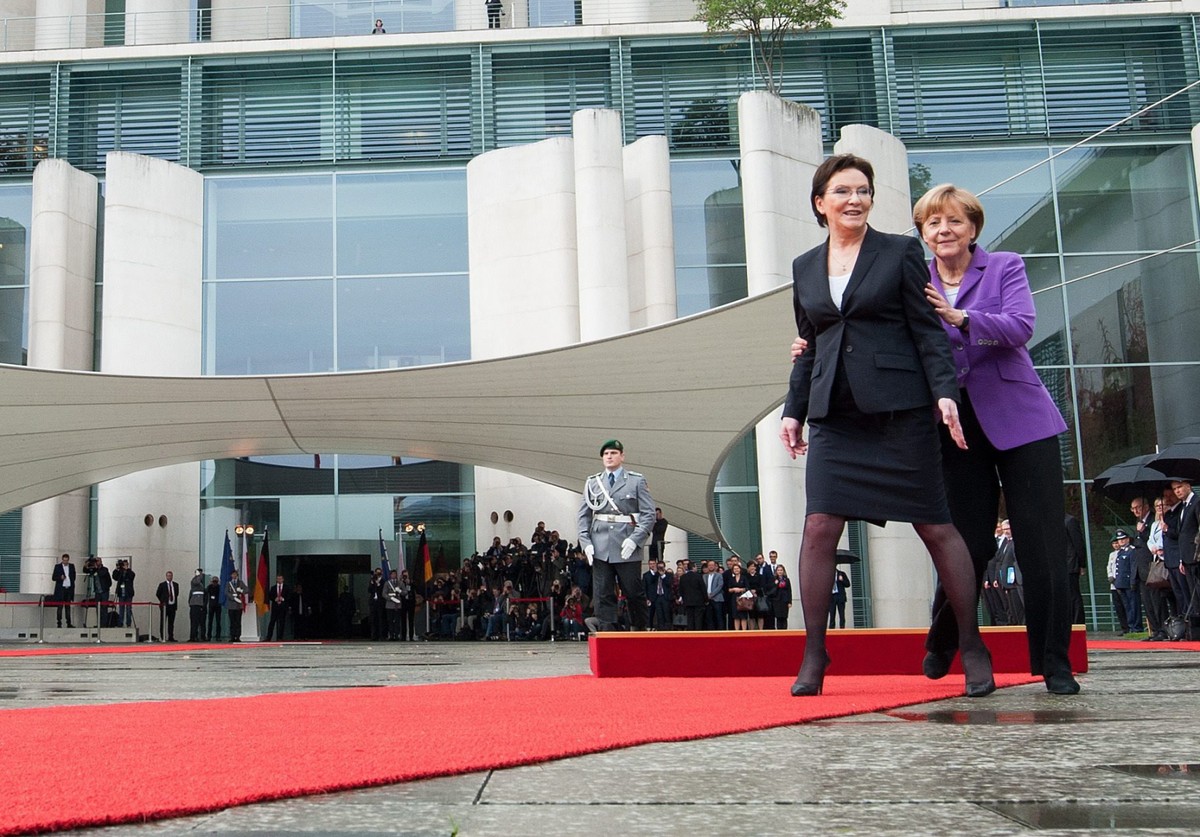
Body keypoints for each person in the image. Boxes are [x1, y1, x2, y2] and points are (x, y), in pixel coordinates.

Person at [780, 155, 993, 698]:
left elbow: (927, 332)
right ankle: (814, 653)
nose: (856, 199)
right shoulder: (805, 265)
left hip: (901, 413)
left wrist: (945, 395)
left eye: (864, 190)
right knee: (818, 529)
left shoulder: (899, 251)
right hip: (837, 418)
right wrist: (793, 409)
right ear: (819, 203)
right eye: (843, 190)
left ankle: (971, 644)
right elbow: (808, 345)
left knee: (935, 526)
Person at [912, 183, 1078, 695]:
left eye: (955, 221)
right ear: (923, 233)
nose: (944, 230)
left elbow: (1020, 325)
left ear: (973, 229)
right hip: (954, 426)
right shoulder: (914, 278)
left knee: (1042, 544)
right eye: (934, 223)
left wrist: (963, 318)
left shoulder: (1003, 265)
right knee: (967, 543)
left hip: (1021, 419)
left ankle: (1053, 662)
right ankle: (944, 638)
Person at [578, 438, 655, 632]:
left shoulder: (636, 480)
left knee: (633, 591)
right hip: (600, 544)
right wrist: (585, 542)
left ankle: (639, 627)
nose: (609, 457)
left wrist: (635, 539)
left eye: (613, 453)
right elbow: (584, 515)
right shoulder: (593, 482)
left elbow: (648, 514)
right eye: (606, 454)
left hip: (626, 544)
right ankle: (607, 631)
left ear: (622, 456)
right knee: (603, 592)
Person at [1064, 514, 1087, 625]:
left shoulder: (1070, 521)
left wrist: (1082, 564)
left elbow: (1079, 544)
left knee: (1073, 595)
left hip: (1070, 565)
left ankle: (1078, 624)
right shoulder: (1050, 521)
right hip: (1056, 566)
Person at [678, 561, 707, 631]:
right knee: (698, 619)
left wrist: (683, 598)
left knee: (690, 619)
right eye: (696, 566)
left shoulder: (683, 577)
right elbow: (703, 588)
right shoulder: (698, 576)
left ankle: (690, 633)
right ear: (693, 567)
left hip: (687, 601)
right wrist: (706, 599)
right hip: (698, 601)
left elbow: (681, 590)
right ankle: (698, 633)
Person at [51, 553, 75, 628]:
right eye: (64, 560)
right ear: (62, 560)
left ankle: (69, 623)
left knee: (68, 607)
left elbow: (73, 576)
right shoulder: (57, 567)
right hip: (61, 589)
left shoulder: (71, 566)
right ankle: (59, 623)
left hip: (68, 589)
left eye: (66, 560)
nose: (65, 562)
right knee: (60, 607)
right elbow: (53, 577)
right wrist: (60, 578)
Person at [156, 571, 179, 641]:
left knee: (171, 622)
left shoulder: (175, 585)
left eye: (171, 576)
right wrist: (163, 601)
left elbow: (176, 594)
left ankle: (171, 637)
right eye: (168, 576)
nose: (170, 577)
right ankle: (163, 637)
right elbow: (158, 594)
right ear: (166, 576)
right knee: (163, 622)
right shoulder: (162, 585)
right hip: (165, 606)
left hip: (172, 606)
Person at [113, 559, 136, 629]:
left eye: (125, 564)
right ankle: (120, 623)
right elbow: (115, 577)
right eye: (123, 565)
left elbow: (132, 576)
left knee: (128, 609)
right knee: (121, 609)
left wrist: (127, 570)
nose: (124, 566)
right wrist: (117, 569)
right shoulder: (120, 572)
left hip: (128, 593)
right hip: (121, 593)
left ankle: (128, 624)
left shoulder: (130, 572)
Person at [264, 574, 288, 641]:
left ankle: (280, 637)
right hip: (275, 607)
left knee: (282, 622)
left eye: (280, 579)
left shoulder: (286, 587)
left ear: (283, 579)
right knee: (272, 622)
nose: (279, 580)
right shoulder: (273, 588)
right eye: (278, 579)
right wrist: (275, 599)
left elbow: (289, 596)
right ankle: (269, 637)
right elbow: (270, 596)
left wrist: (283, 599)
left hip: (283, 607)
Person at [226, 569, 247, 642]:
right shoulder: (228, 583)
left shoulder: (240, 583)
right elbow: (226, 592)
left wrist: (241, 591)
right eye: (233, 574)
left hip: (238, 606)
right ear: (231, 575)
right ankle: (232, 636)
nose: (234, 576)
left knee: (238, 622)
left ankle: (238, 637)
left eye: (235, 574)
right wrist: (233, 596)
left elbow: (247, 590)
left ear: (237, 575)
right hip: (231, 605)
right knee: (232, 622)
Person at [187, 569, 206, 641]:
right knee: (194, 622)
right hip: (195, 604)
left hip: (200, 604)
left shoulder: (201, 584)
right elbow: (197, 580)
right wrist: (198, 575)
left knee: (201, 622)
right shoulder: (194, 581)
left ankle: (201, 636)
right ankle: (193, 637)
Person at [205, 575, 222, 641]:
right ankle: (209, 636)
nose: (214, 583)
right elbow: (206, 593)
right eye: (213, 581)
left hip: (218, 606)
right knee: (210, 622)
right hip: (211, 606)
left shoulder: (219, 587)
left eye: (216, 581)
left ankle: (218, 636)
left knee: (218, 622)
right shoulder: (209, 587)